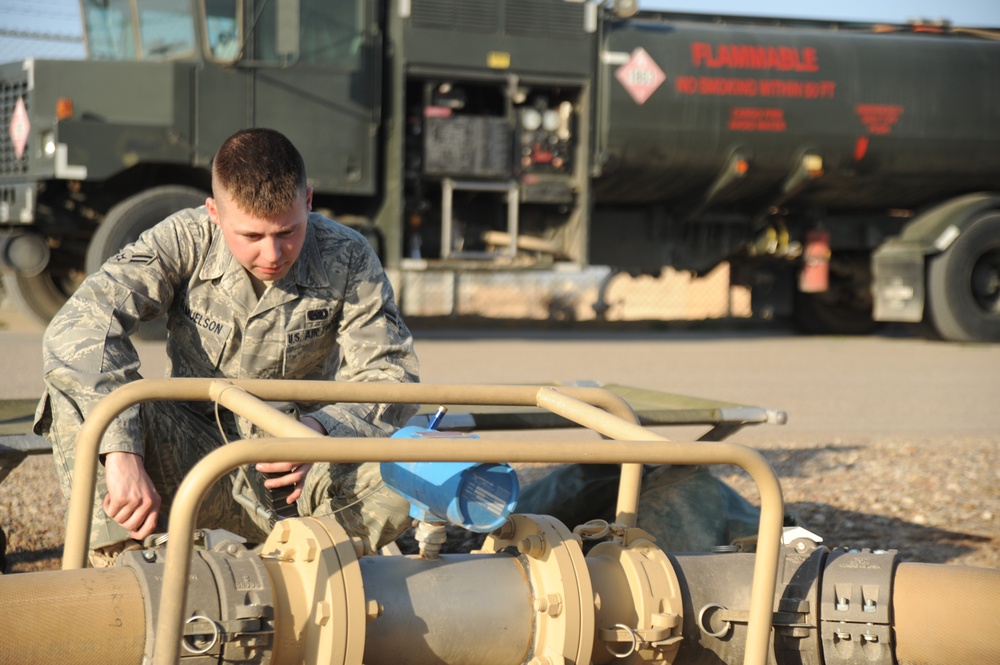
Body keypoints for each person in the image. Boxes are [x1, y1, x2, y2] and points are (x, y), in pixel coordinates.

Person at [34, 128, 419, 565]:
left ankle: (305, 579)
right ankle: (125, 581)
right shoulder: (185, 239)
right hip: (194, 454)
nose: (272, 253)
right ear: (214, 212)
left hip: (302, 468)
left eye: (288, 232)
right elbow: (81, 327)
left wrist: (321, 434)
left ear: (308, 201)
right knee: (76, 394)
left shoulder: (348, 257)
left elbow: (390, 374)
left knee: (410, 472)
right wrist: (119, 449)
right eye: (251, 237)